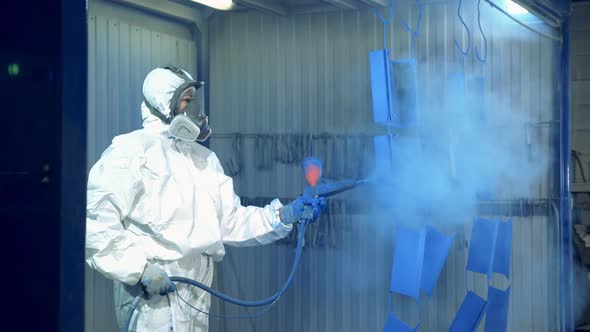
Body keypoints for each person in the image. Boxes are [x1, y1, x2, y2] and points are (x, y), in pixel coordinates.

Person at [85, 66, 326, 331]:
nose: (193, 109)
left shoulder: (204, 159)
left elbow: (230, 221)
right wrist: (138, 269)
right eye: (187, 100)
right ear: (164, 104)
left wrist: (283, 215)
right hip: (153, 292)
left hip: (198, 288)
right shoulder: (131, 152)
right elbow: (95, 222)